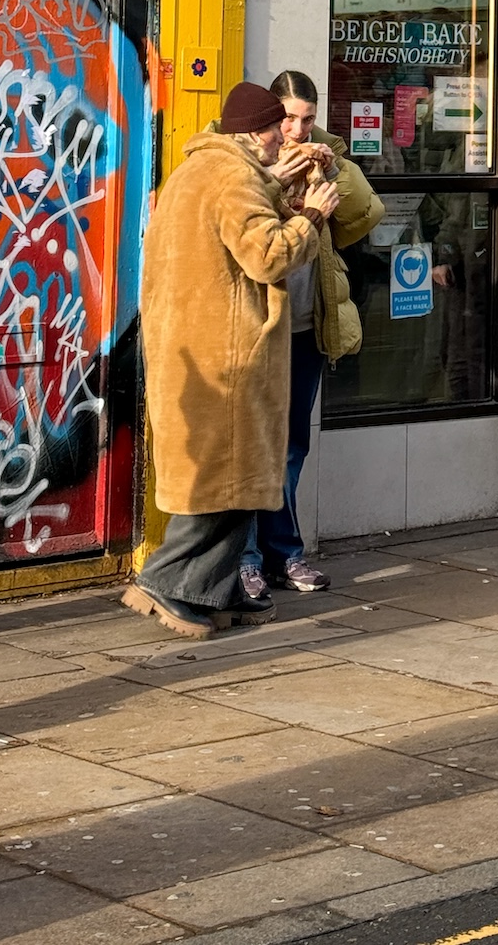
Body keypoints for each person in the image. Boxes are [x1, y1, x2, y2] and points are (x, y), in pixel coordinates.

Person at [126, 82, 340, 639]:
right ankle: (168, 581)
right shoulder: (233, 176)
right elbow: (267, 255)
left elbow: (238, 221)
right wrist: (311, 217)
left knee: (234, 482)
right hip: (227, 354)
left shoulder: (201, 168)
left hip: (195, 346)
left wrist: (283, 184)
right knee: (225, 484)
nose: (283, 138)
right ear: (254, 132)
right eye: (275, 130)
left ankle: (211, 590)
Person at [239, 70, 383, 601]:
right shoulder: (245, 160)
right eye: (288, 119)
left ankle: (282, 552)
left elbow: (363, 216)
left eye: (307, 119)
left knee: (293, 445)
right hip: (258, 328)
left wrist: (333, 164)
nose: (297, 130)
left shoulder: (324, 156)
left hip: (307, 322)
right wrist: (278, 173)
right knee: (253, 446)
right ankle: (246, 557)